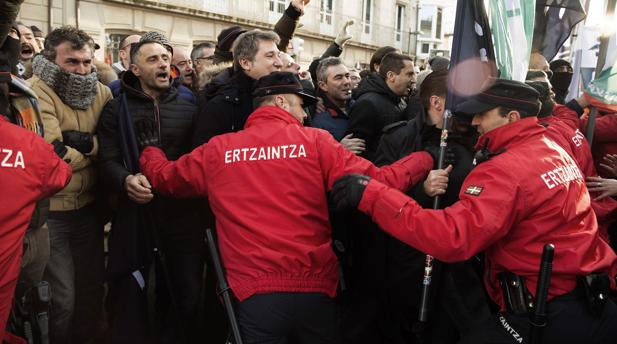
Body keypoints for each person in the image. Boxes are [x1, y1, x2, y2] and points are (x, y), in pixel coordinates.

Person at [137, 71, 434, 343]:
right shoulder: (317, 142)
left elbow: (168, 179)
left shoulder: (219, 149)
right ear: (280, 101)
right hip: (315, 290)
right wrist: (424, 159)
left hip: (254, 293)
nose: (305, 113)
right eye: (300, 105)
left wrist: (149, 152)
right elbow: (379, 181)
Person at [331, 78, 617, 344]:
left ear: (512, 117)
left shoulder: (506, 168)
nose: (475, 121)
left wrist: (374, 195)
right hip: (590, 300)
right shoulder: (552, 148)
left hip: (547, 311)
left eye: (483, 114)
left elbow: (452, 236)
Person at [97, 38, 202, 343]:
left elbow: (200, 155)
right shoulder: (116, 108)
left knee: (187, 294)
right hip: (136, 215)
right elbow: (106, 159)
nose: (162, 64)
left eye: (165, 58)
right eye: (153, 59)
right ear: (134, 68)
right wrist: (125, 180)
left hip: (183, 217)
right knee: (132, 293)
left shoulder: (190, 104)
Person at [28, 26, 111, 344]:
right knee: (62, 299)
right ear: (50, 59)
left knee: (92, 293)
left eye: (87, 62)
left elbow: (113, 146)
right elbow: (53, 156)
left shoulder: (102, 92)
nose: (82, 70)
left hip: (90, 211)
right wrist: (94, 151)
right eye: (72, 62)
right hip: (52, 213)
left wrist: (88, 147)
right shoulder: (35, 91)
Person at [192, 29, 283, 146]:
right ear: (245, 63)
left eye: (278, 55)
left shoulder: (288, 96)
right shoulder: (220, 105)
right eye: (270, 56)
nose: (279, 62)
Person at [346, 52, 416, 162]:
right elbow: (357, 151)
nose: (414, 80)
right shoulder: (367, 104)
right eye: (409, 74)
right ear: (391, 76)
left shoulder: (401, 99)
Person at [311, 57, 364, 154]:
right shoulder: (319, 123)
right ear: (323, 85)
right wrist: (338, 149)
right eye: (338, 78)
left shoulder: (361, 107)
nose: (347, 82)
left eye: (347, 76)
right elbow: (316, 160)